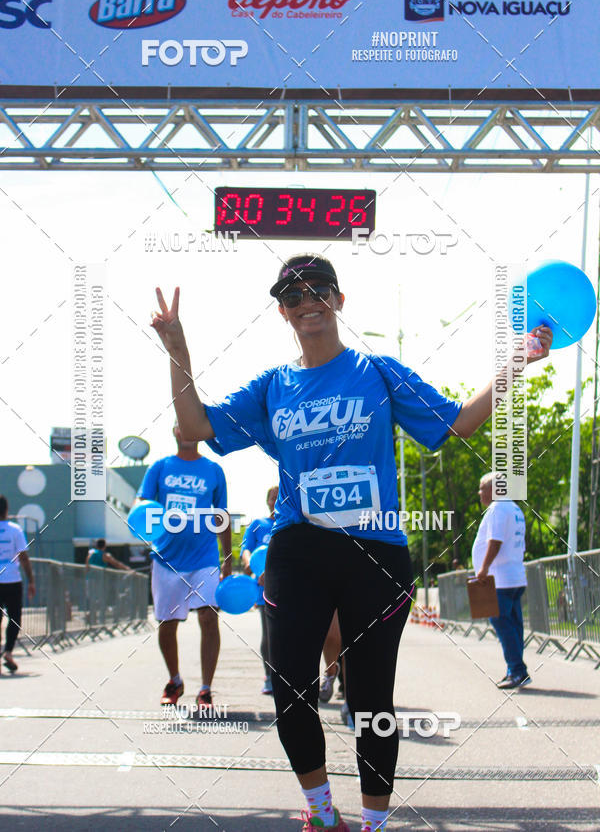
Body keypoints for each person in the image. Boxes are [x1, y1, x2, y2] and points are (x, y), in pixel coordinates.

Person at [150, 254, 551, 832]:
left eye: (318, 290)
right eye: (292, 296)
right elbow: (194, 426)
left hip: (375, 553)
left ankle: (374, 823)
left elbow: (456, 423)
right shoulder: (271, 387)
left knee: (371, 702)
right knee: (291, 689)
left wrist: (519, 360)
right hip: (299, 548)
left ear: (339, 300)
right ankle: (321, 813)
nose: (306, 300)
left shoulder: (377, 370)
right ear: (283, 312)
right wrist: (177, 349)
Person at [135, 424, 231, 708]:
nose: (188, 431)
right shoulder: (160, 467)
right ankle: (174, 680)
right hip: (167, 559)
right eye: (182, 426)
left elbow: (221, 514)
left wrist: (226, 560)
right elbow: (144, 507)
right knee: (167, 624)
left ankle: (205, 689)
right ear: (175, 432)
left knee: (208, 617)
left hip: (204, 558)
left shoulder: (214, 470)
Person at [472, 472, 530, 689]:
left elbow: (495, 542)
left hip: (500, 579)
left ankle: (517, 670)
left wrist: (484, 568)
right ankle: (513, 670)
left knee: (500, 622)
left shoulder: (497, 509)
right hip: (514, 576)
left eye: (481, 488)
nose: (479, 493)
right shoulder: (514, 508)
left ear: (494, 489)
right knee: (513, 625)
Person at [241, 485, 278, 695]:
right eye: (272, 497)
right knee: (269, 635)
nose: (276, 500)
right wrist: (250, 565)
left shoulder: (289, 523)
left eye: (279, 496)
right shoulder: (257, 524)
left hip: (289, 588)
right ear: (267, 501)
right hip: (264, 588)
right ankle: (270, 676)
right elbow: (246, 549)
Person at [0, 496, 35, 674]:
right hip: (12, 580)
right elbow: (24, 557)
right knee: (14, 618)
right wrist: (31, 580)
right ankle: (8, 652)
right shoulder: (15, 530)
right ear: (7, 510)